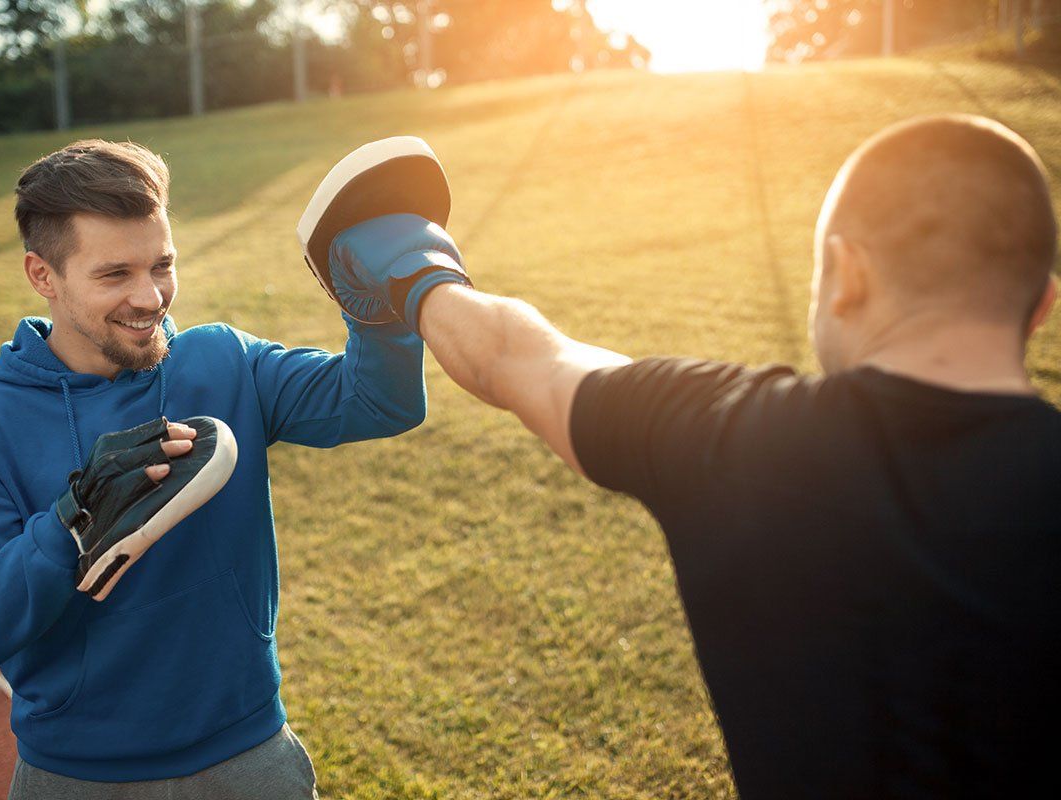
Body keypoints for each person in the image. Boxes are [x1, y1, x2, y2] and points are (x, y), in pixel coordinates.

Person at [325, 114, 1060, 797]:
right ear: (1041, 306)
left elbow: (517, 359)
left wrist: (416, 274)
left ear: (849, 275)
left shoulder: (733, 439)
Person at [0, 139, 428, 798]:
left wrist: (377, 312)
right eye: (113, 274)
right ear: (43, 275)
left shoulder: (222, 360)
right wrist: (74, 523)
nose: (149, 296)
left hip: (250, 759)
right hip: (75, 777)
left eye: (162, 264)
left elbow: (377, 403)